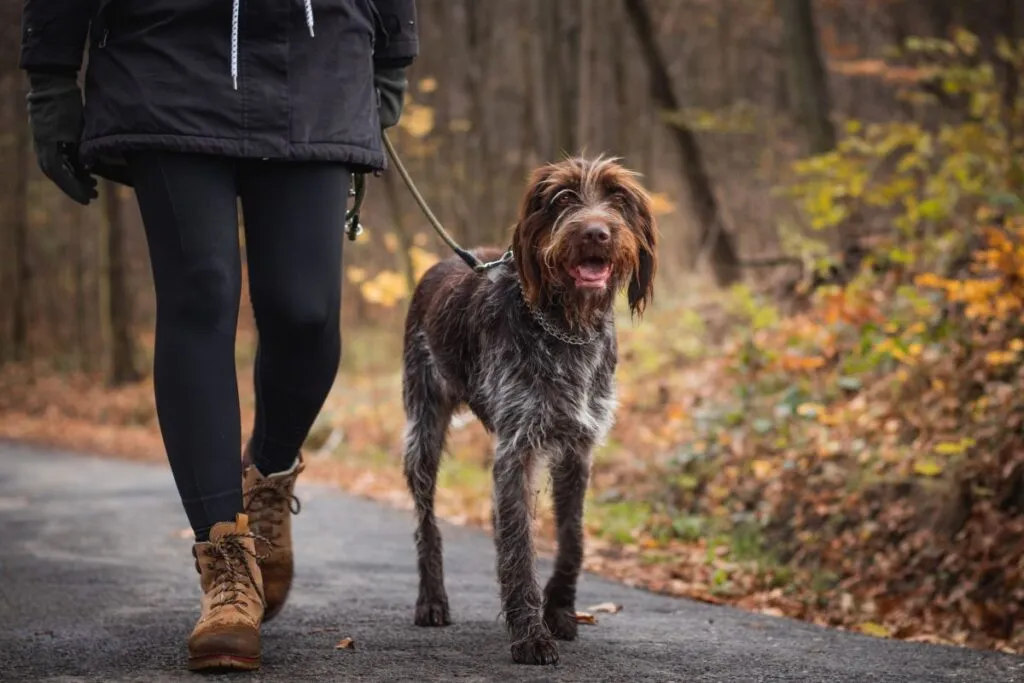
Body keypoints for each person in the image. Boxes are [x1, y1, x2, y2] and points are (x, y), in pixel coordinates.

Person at [19, 0, 418, 672]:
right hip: (163, 47)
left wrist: (394, 51)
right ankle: (227, 563)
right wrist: (50, 72)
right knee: (199, 293)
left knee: (305, 310)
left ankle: (265, 475)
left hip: (316, 52)